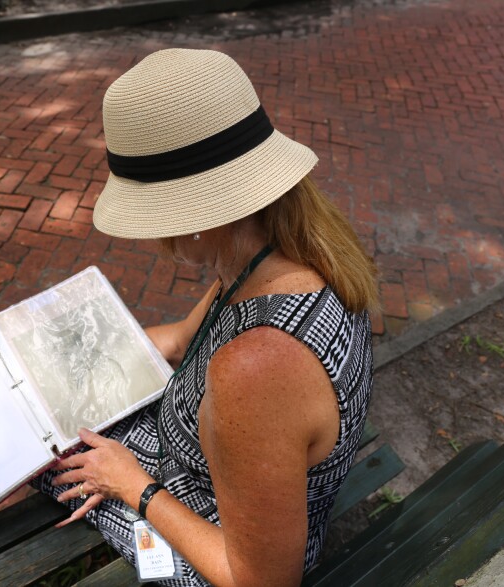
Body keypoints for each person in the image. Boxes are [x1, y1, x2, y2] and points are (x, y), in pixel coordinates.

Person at [32, 48, 378, 586]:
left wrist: (134, 486)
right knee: (43, 417)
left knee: (41, 453)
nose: (152, 237)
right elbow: (177, 342)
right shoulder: (283, 254)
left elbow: (260, 580)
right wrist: (65, 357)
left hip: (214, 534)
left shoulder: (255, 366)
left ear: (196, 216)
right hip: (216, 476)